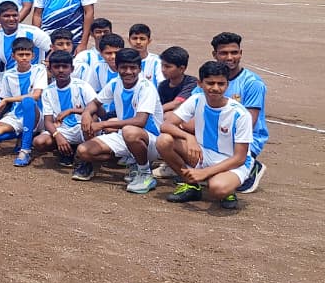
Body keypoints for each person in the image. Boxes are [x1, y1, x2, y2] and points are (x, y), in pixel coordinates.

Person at [160, 61, 254, 212]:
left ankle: (228, 189)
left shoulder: (240, 114)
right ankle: (191, 185)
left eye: (221, 84)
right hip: (204, 153)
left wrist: (204, 173)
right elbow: (166, 125)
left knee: (217, 188)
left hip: (231, 161)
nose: (215, 88)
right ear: (200, 84)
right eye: (210, 83)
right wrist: (189, 138)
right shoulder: (197, 99)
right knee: (163, 141)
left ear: (227, 85)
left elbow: (240, 158)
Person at [74, 47, 162, 192]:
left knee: (129, 131)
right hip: (124, 136)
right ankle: (132, 161)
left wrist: (102, 124)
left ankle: (145, 173)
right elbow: (95, 103)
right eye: (123, 67)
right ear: (117, 68)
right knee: (83, 151)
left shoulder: (146, 87)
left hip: (150, 140)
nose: (128, 71)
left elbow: (140, 121)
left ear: (139, 69)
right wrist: (86, 114)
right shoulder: (115, 83)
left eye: (133, 68)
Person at [204, 31, 269, 194]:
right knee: (172, 139)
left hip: (243, 140)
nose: (230, 57)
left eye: (234, 52)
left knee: (217, 185)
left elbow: (249, 124)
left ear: (241, 53)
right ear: (214, 54)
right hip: (216, 135)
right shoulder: (210, 79)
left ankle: (251, 166)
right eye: (223, 53)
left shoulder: (252, 83)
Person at [0, 37, 48, 166]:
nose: (24, 58)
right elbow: (5, 103)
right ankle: (22, 135)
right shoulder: (7, 75)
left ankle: (25, 150)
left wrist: (8, 99)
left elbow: (36, 96)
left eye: (27, 54)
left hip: (37, 115)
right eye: (20, 55)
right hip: (16, 115)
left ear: (33, 56)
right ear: (13, 56)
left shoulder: (39, 70)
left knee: (28, 101)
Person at [33, 50, 97, 168]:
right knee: (39, 142)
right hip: (63, 129)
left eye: (65, 67)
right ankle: (68, 149)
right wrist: (58, 136)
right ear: (50, 69)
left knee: (89, 121)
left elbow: (98, 111)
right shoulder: (48, 91)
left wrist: (72, 110)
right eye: (56, 67)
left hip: (82, 127)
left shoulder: (83, 86)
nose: (61, 70)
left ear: (72, 69)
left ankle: (86, 162)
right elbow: (48, 121)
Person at [0, 1, 52, 68]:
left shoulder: (34, 32)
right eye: (7, 16)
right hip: (9, 74)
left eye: (14, 15)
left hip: (36, 74)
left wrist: (46, 65)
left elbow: (53, 49)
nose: (11, 19)